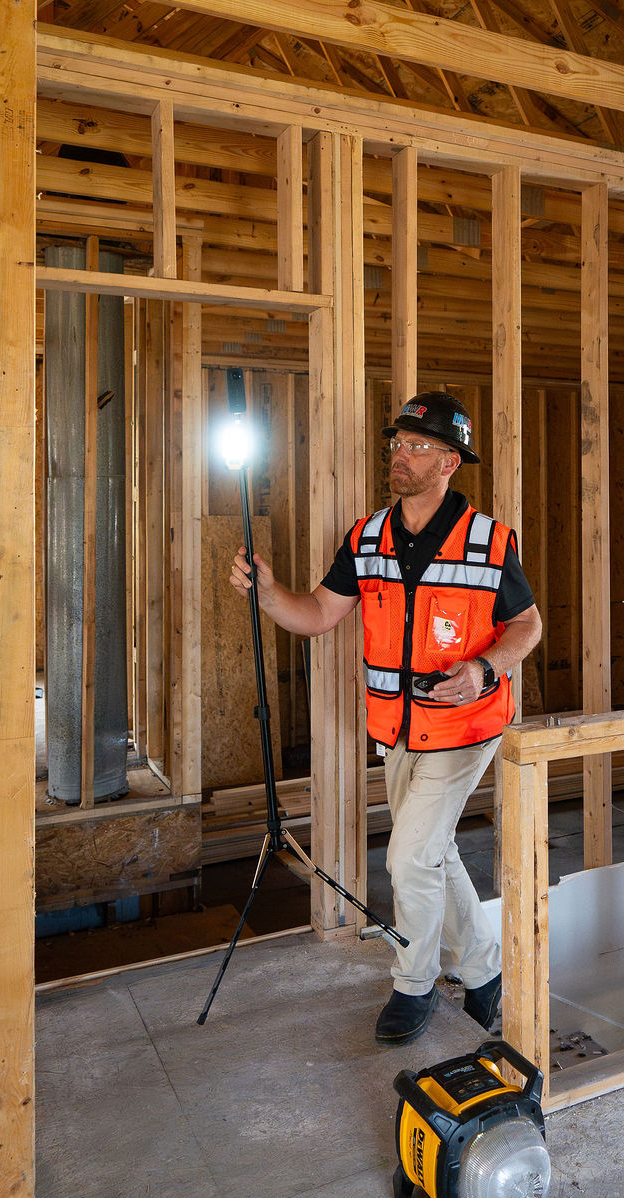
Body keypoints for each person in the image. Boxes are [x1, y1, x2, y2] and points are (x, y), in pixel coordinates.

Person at [229, 393, 543, 1044]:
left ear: (450, 461)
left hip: (466, 725)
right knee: (432, 853)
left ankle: (415, 983)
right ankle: (485, 976)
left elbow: (527, 624)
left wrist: (485, 668)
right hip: (399, 730)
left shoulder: (488, 540)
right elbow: (317, 613)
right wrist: (267, 593)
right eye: (396, 444)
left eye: (416, 446)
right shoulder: (366, 537)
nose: (399, 455)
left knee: (407, 857)